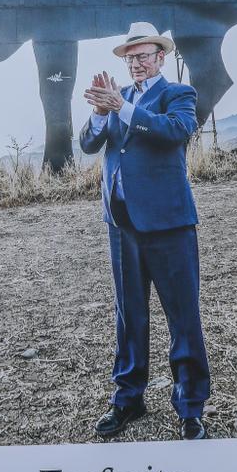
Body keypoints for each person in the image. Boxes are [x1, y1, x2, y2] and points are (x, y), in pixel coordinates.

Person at [79, 22, 210, 441]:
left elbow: (176, 132)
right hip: (122, 226)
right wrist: (101, 113)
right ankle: (128, 398)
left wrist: (122, 107)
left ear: (160, 57)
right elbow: (87, 144)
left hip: (169, 225)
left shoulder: (178, 94)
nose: (135, 62)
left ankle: (190, 407)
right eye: (130, 56)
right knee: (128, 317)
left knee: (183, 317)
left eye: (142, 55)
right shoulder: (117, 101)